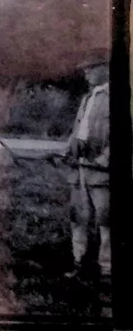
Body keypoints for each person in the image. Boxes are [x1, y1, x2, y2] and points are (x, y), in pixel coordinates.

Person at [59, 55, 110, 288]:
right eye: (85, 70)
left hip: (103, 173)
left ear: (104, 69)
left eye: (90, 69)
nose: (86, 74)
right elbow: (78, 131)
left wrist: (105, 159)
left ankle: (107, 271)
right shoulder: (87, 98)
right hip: (80, 169)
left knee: (106, 220)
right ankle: (80, 264)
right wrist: (66, 152)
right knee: (78, 217)